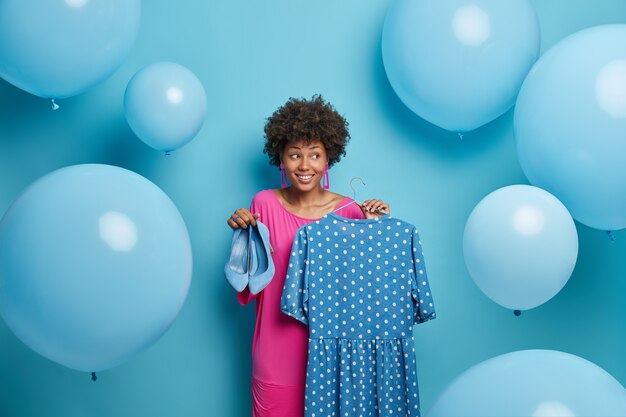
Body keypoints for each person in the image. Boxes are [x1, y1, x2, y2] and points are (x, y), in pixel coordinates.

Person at [226, 95, 390, 417]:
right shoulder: (264, 204)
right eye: (295, 155)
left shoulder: (351, 211)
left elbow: (365, 291)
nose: (305, 166)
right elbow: (247, 282)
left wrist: (375, 232)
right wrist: (242, 235)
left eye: (315, 155)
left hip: (334, 357)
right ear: (281, 159)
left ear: (328, 158)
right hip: (275, 356)